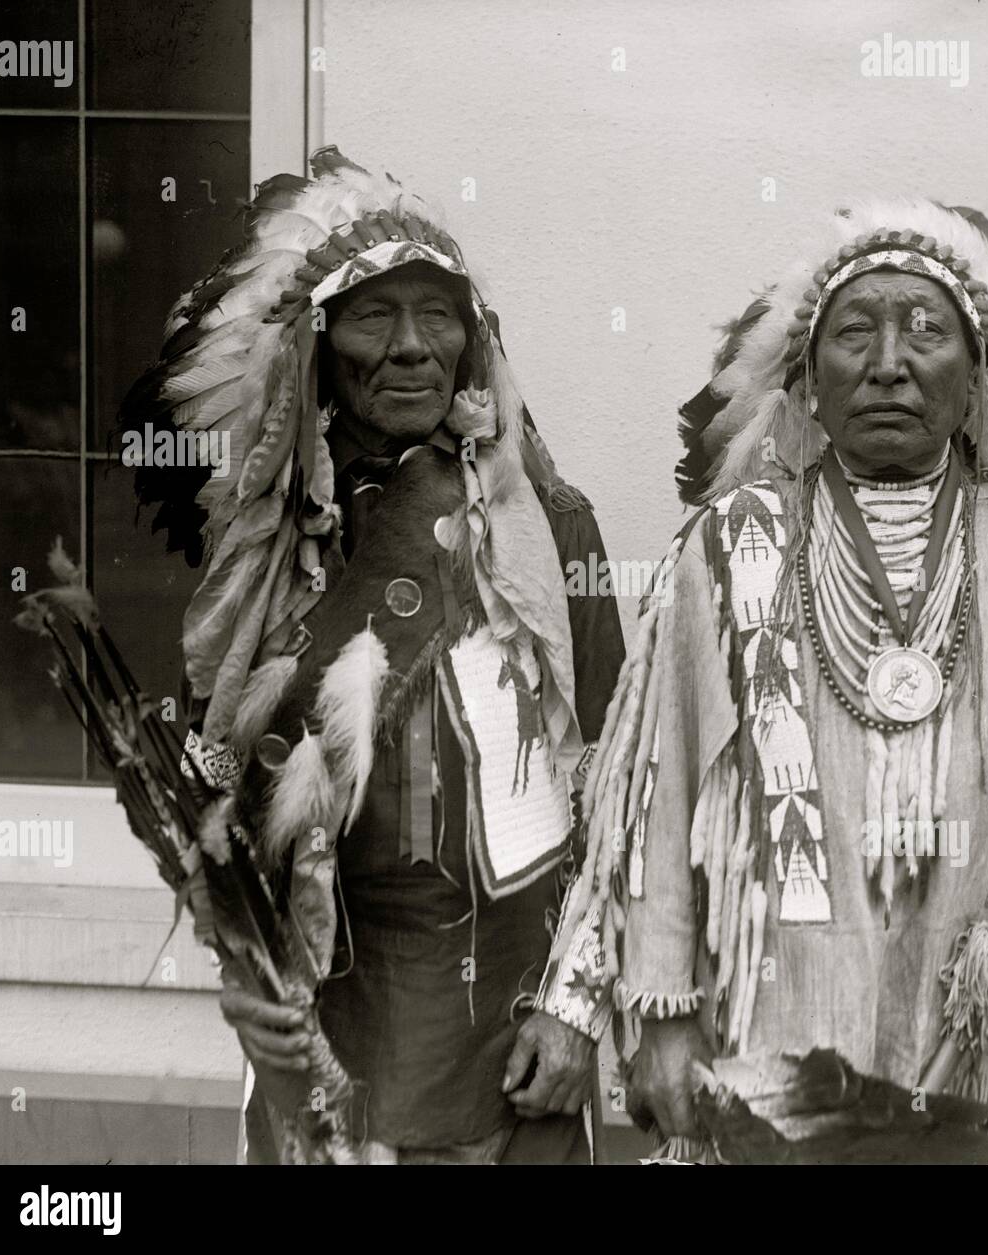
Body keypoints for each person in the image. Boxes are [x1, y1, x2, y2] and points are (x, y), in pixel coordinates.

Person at [554, 200, 988, 1164]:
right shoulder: (729, 548)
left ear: (976, 378)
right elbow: (655, 795)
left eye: (927, 330)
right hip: (776, 1046)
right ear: (808, 379)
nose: (889, 361)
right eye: (855, 331)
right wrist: (663, 1016)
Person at [121, 147, 624, 1163]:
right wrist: (239, 972)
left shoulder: (551, 534)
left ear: (473, 339)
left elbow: (623, 796)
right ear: (316, 344)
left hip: (511, 1016)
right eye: (370, 316)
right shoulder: (261, 559)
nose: (409, 347)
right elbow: (215, 797)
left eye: (436, 314)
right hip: (327, 1008)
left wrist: (576, 1008)